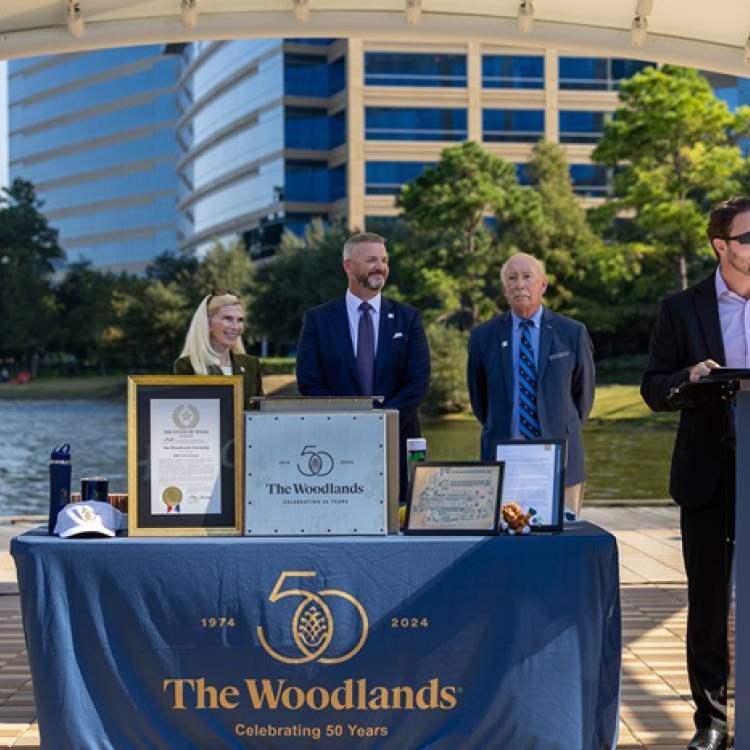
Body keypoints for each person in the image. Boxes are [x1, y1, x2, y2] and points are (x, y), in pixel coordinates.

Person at [641, 196, 750, 750]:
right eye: (749, 238)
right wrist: (689, 377)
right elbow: (653, 388)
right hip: (710, 473)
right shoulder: (681, 309)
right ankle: (713, 722)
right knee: (708, 602)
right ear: (721, 245)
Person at [296, 232, 430, 502]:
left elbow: (418, 381)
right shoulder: (318, 320)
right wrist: (353, 422)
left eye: (384, 260)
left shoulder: (408, 318)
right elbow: (309, 382)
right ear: (348, 265)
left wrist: (383, 422)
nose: (380, 266)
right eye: (371, 259)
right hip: (337, 444)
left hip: (398, 443)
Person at [467, 253, 595, 515]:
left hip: (561, 458)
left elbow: (584, 396)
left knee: (562, 544)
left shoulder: (572, 333)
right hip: (505, 459)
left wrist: (560, 427)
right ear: (505, 289)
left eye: (527, 277)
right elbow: (480, 401)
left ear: (543, 285)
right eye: (512, 278)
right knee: (505, 546)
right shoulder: (483, 336)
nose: (519, 284)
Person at [174, 289, 263, 409]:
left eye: (240, 320)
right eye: (228, 318)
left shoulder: (251, 365)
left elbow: (260, 414)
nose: (236, 327)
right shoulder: (186, 367)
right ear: (208, 323)